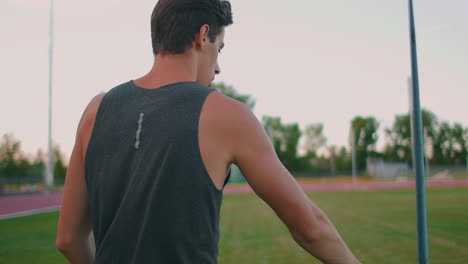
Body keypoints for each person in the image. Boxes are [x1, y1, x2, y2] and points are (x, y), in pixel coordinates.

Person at [56, 0, 360, 263]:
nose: (218, 68)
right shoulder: (228, 115)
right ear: (203, 36)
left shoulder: (96, 110)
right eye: (220, 48)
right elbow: (309, 227)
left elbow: (68, 239)